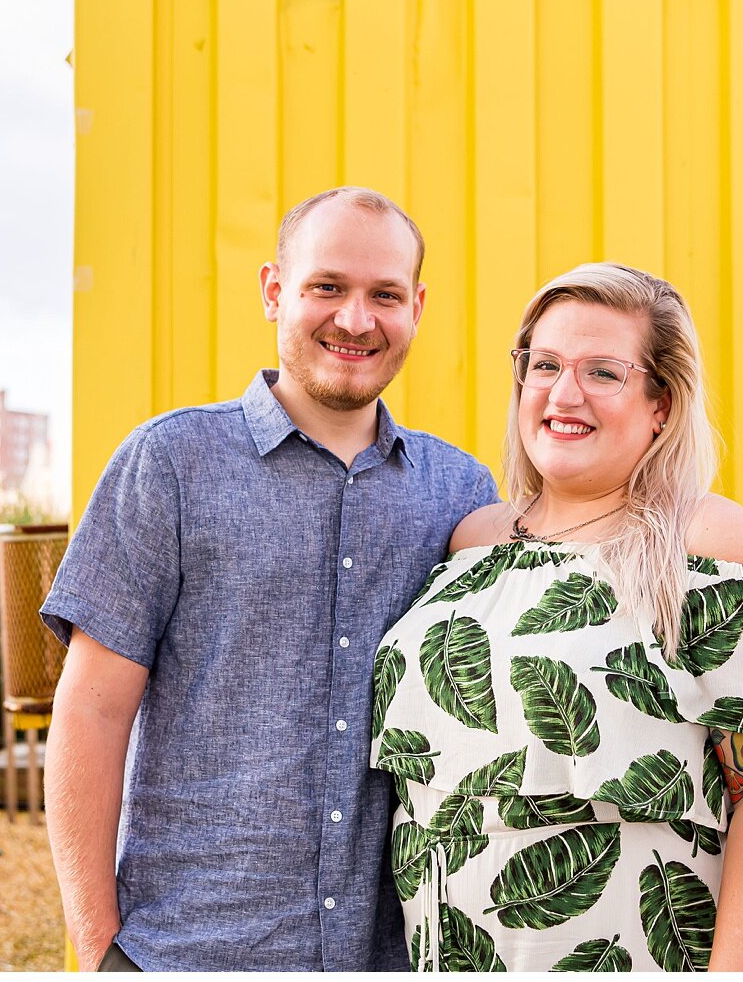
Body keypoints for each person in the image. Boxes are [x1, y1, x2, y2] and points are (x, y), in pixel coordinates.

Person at [40, 187, 498, 972]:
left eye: (384, 295)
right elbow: (91, 710)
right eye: (328, 286)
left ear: (417, 308)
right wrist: (97, 949)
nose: (356, 320)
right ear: (273, 290)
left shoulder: (460, 494)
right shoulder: (171, 464)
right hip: (191, 949)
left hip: (390, 957)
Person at [369, 263, 743, 972]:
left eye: (604, 373)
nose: (564, 393)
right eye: (545, 365)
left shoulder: (711, 546)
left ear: (661, 403)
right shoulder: (472, 542)